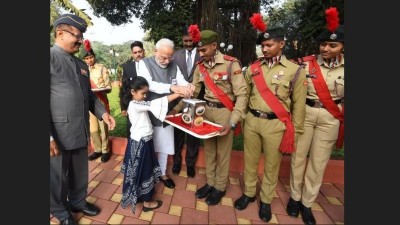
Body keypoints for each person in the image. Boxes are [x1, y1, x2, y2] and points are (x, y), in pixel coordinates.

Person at [234, 13, 307, 223]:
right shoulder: (254, 67)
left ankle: (265, 200)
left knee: (272, 165)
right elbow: (245, 94)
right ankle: (248, 193)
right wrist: (242, 117)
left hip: (276, 124)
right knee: (250, 161)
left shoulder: (294, 70)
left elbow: (299, 103)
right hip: (252, 121)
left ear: (281, 44)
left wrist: (297, 131)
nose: (264, 49)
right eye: (262, 46)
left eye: (268, 45)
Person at [50, 14, 116, 225]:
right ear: (60, 33)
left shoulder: (81, 64)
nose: (80, 41)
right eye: (77, 36)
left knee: (80, 173)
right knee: (57, 178)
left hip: (80, 130)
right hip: (57, 134)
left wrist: (103, 113)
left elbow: (88, 96)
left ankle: (78, 201)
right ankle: (61, 213)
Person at [173, 27, 248, 206]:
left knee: (222, 153)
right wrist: (177, 108)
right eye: (198, 50)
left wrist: (232, 122)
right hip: (206, 112)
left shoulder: (231, 64)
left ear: (214, 46)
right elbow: (194, 91)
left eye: (203, 50)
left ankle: (220, 187)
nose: (200, 53)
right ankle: (211, 183)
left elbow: (242, 95)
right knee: (209, 151)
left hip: (224, 113)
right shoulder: (201, 66)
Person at [286, 7, 344, 225]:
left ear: (343, 47)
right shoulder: (305, 63)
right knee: (298, 157)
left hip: (331, 117)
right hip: (306, 113)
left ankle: (307, 203)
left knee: (318, 163)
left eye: (332, 45)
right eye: (323, 44)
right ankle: (294, 197)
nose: (326, 48)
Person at [120, 76, 184, 213]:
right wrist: (178, 93)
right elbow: (156, 103)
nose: (145, 96)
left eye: (146, 93)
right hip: (141, 144)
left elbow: (153, 103)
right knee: (145, 172)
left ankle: (140, 197)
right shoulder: (135, 105)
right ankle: (147, 203)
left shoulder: (135, 103)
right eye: (143, 93)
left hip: (142, 141)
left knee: (141, 171)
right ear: (133, 92)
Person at [137, 38, 195, 189]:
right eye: (163, 57)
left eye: (170, 57)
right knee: (149, 145)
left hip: (166, 113)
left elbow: (181, 81)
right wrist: (172, 87)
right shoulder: (144, 63)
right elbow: (148, 85)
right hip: (148, 112)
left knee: (164, 145)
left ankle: (162, 173)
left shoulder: (173, 65)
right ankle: (148, 173)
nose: (167, 61)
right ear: (155, 51)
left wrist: (189, 87)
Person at [170, 28, 203, 178]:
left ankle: (190, 163)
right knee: (177, 133)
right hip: (178, 99)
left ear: (195, 39)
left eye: (190, 41)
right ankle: (176, 161)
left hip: (197, 99)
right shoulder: (176, 55)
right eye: (185, 41)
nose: (188, 43)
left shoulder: (202, 53)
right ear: (182, 40)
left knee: (193, 132)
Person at [81, 39, 112, 163]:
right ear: (84, 60)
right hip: (88, 102)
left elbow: (108, 87)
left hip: (100, 100)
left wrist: (101, 89)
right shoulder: (82, 70)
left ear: (94, 57)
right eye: (87, 58)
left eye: (91, 57)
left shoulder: (101, 68)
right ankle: (97, 149)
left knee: (103, 127)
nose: (89, 60)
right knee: (93, 128)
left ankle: (105, 150)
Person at [120, 41, 146, 138]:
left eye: (140, 51)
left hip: (148, 101)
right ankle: (132, 151)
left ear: (143, 51)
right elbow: (124, 87)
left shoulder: (150, 65)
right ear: (132, 53)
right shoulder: (127, 67)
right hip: (132, 104)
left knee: (146, 128)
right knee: (131, 129)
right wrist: (123, 107)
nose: (138, 54)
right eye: (135, 52)